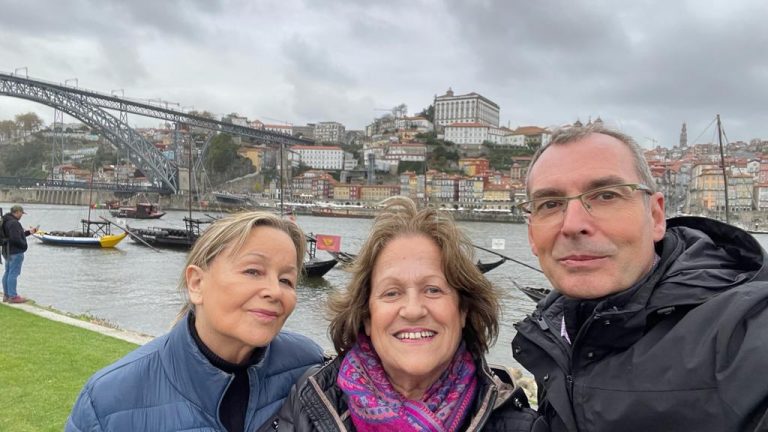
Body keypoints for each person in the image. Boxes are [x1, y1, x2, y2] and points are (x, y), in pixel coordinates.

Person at [512, 124, 768, 431]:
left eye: (606, 195)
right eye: (550, 204)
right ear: (532, 234)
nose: (572, 225)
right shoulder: (552, 329)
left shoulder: (745, 330)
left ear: (656, 216)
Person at [272, 196, 537, 431]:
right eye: (391, 293)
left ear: (463, 310)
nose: (412, 310)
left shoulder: (520, 425)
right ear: (366, 316)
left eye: (433, 290)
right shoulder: (308, 405)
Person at [66, 211, 325, 432]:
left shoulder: (308, 366)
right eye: (253, 271)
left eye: (286, 280)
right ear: (197, 283)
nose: (275, 291)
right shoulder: (107, 401)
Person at [2, 204, 37, 303]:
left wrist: (29, 232)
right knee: (13, 273)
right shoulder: (14, 223)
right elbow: (15, 238)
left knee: (8, 272)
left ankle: (6, 295)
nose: (21, 215)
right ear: (17, 212)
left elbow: (14, 236)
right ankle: (13, 297)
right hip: (15, 252)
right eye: (21, 213)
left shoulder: (6, 221)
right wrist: (23, 245)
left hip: (7, 251)